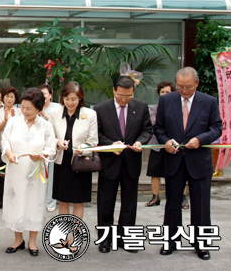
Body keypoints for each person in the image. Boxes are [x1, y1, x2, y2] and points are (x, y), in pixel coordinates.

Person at [154, 67, 222, 260]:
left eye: (188, 87)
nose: (184, 91)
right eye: (181, 87)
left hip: (198, 160)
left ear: (197, 84)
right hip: (174, 159)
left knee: (201, 205)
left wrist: (200, 139)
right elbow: (158, 127)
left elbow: (217, 128)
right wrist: (165, 141)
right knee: (172, 203)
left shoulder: (209, 101)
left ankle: (201, 244)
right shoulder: (167, 100)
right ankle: (170, 242)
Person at [94, 76, 152, 254]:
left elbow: (147, 130)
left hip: (131, 162)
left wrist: (141, 142)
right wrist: (110, 145)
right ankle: (106, 239)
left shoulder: (141, 107)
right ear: (113, 90)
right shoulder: (101, 109)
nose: (124, 100)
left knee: (129, 203)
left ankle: (126, 238)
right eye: (121, 96)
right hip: (110, 162)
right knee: (105, 202)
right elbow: (97, 134)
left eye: (128, 96)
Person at [1, 87, 56, 256]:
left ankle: (32, 241)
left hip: (35, 173)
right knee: (15, 203)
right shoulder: (13, 122)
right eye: (23, 107)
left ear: (39, 109)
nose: (24, 111)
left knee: (34, 204)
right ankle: (18, 239)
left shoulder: (46, 126)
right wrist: (9, 154)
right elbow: (5, 142)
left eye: (29, 109)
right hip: (15, 171)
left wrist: (41, 156)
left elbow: (51, 147)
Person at [48, 82, 98, 219]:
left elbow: (93, 141)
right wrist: (58, 142)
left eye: (74, 99)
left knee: (78, 202)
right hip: (62, 163)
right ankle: (64, 236)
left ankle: (75, 237)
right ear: (62, 98)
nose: (70, 102)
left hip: (80, 163)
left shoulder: (90, 114)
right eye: (67, 99)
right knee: (63, 201)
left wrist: (83, 149)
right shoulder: (54, 113)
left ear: (80, 99)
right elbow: (49, 137)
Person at [145, 81, 186, 207]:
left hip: (175, 145)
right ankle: (155, 197)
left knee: (180, 172)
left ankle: (183, 198)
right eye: (162, 92)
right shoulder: (153, 108)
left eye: (167, 92)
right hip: (158, 145)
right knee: (155, 172)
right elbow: (154, 124)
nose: (164, 94)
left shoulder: (179, 107)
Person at [0, 87, 22, 209]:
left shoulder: (20, 112)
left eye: (12, 97)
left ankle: (15, 201)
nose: (9, 99)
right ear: (3, 98)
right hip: (2, 147)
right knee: (1, 175)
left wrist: (14, 119)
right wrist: (5, 120)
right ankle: (0, 200)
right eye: (7, 96)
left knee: (16, 175)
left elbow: (22, 130)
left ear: (15, 99)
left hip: (16, 148)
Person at [38, 83, 61, 212]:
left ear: (50, 95)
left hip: (52, 145)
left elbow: (58, 127)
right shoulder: (35, 106)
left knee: (50, 175)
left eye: (45, 93)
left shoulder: (57, 108)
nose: (43, 96)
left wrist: (45, 115)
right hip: (37, 146)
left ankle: (50, 202)